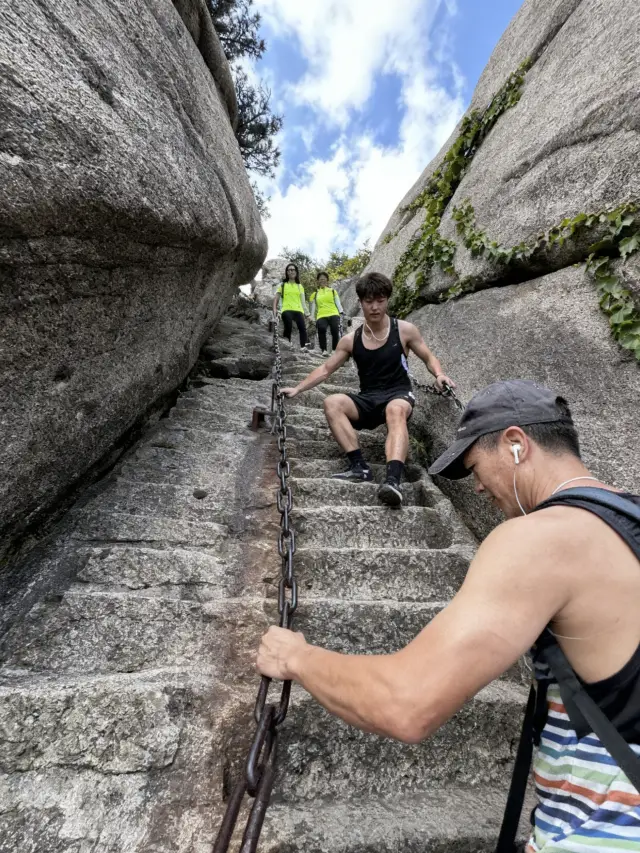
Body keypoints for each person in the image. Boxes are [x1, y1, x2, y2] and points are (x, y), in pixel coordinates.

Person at [257, 380, 640, 852]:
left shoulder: (542, 538)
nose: (476, 485)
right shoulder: (627, 523)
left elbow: (407, 703)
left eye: (475, 465)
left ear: (516, 444)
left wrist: (298, 657)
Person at [280, 271, 455, 507]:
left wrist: (440, 374)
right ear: (360, 302)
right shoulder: (350, 340)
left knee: (395, 411)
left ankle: (393, 480)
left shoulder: (404, 330)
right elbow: (325, 369)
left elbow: (428, 356)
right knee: (332, 402)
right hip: (368, 399)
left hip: (398, 394)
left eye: (380, 300)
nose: (375, 307)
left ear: (387, 300)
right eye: (369, 301)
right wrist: (297, 389)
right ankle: (359, 467)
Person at [273, 262, 309, 351]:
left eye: (293, 270)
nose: (291, 271)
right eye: (289, 270)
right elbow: (276, 298)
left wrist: (307, 314)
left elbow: (303, 302)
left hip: (298, 309)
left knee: (302, 327)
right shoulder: (282, 285)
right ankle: (287, 344)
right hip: (286, 309)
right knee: (288, 324)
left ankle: (303, 347)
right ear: (287, 273)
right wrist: (275, 310)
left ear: (296, 272)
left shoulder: (300, 286)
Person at [309, 271, 344, 357]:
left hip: (333, 313)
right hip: (321, 314)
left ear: (327, 280)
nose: (322, 281)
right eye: (320, 279)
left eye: (324, 279)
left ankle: (334, 350)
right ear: (318, 281)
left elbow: (338, 302)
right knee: (321, 328)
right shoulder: (315, 294)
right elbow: (313, 307)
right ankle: (323, 350)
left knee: (335, 329)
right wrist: (312, 316)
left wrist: (341, 312)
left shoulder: (332, 291)